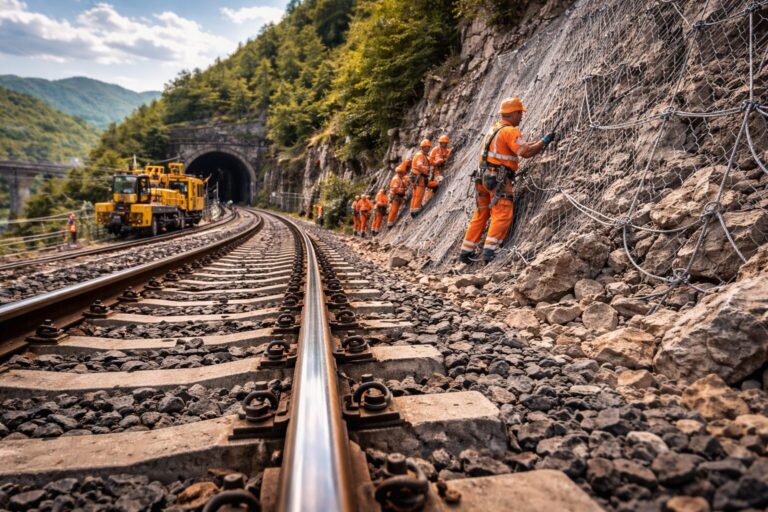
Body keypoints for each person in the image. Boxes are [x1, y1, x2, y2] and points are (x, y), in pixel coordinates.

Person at [459, 97, 555, 264]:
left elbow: (518, 146)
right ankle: (490, 251)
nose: (521, 116)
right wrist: (545, 141)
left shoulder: (495, 129)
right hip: (498, 179)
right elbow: (526, 152)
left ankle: (465, 252)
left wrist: (537, 142)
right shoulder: (510, 131)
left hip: (482, 177)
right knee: (502, 213)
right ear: (513, 113)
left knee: (481, 213)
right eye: (520, 113)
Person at [424, 135, 452, 205]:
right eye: (444, 143)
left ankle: (432, 196)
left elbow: (448, 156)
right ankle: (427, 200)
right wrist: (437, 162)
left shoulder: (447, 150)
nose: (445, 144)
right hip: (434, 169)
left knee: (438, 182)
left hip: (441, 169)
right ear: (440, 143)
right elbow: (430, 160)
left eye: (446, 143)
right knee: (434, 182)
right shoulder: (435, 150)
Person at [409, 139, 432, 217]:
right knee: (419, 193)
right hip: (419, 177)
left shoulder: (423, 155)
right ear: (423, 147)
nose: (428, 148)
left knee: (415, 194)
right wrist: (426, 171)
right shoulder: (420, 155)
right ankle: (416, 210)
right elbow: (419, 165)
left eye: (429, 147)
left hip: (416, 176)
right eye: (426, 147)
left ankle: (413, 209)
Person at [388, 160, 411, 228]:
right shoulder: (396, 179)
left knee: (397, 209)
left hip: (400, 196)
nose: (404, 173)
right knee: (394, 210)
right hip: (396, 196)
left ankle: (391, 221)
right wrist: (403, 190)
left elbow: (406, 181)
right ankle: (390, 223)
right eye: (402, 172)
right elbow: (395, 189)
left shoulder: (401, 178)